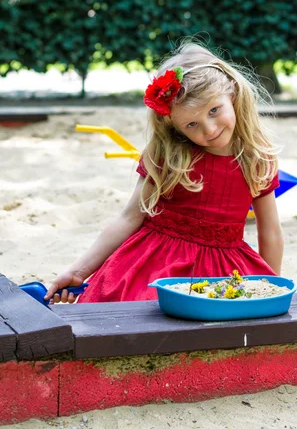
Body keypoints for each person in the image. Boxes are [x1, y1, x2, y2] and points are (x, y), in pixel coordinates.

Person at [45, 42, 284, 304]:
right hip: (155, 264)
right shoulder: (169, 155)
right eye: (192, 124)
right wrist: (78, 272)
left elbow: (270, 232)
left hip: (223, 271)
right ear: (175, 128)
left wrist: (270, 289)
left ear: (234, 95)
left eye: (214, 110)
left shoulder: (257, 159)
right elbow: (128, 217)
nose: (209, 129)